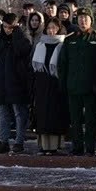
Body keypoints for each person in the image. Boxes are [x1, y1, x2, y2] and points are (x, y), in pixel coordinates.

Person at [58, 8, 96, 156]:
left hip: (91, 88)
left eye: (86, 18)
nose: (83, 21)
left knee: (91, 121)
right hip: (73, 86)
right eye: (80, 18)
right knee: (75, 120)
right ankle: (77, 147)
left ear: (91, 20)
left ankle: (90, 148)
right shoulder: (70, 39)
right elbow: (63, 64)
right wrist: (63, 84)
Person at [0, 13, 33, 154]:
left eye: (11, 27)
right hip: (1, 82)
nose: (8, 30)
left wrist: (16, 34)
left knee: (19, 113)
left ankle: (19, 141)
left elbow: (22, 51)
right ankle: (3, 141)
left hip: (18, 82)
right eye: (6, 27)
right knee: (3, 113)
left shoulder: (23, 38)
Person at [30, 15, 69, 155]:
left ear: (59, 29)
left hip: (56, 84)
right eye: (49, 28)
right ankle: (43, 145)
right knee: (42, 114)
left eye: (54, 28)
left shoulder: (63, 44)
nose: (51, 30)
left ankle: (55, 145)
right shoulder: (40, 44)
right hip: (41, 83)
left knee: (55, 114)